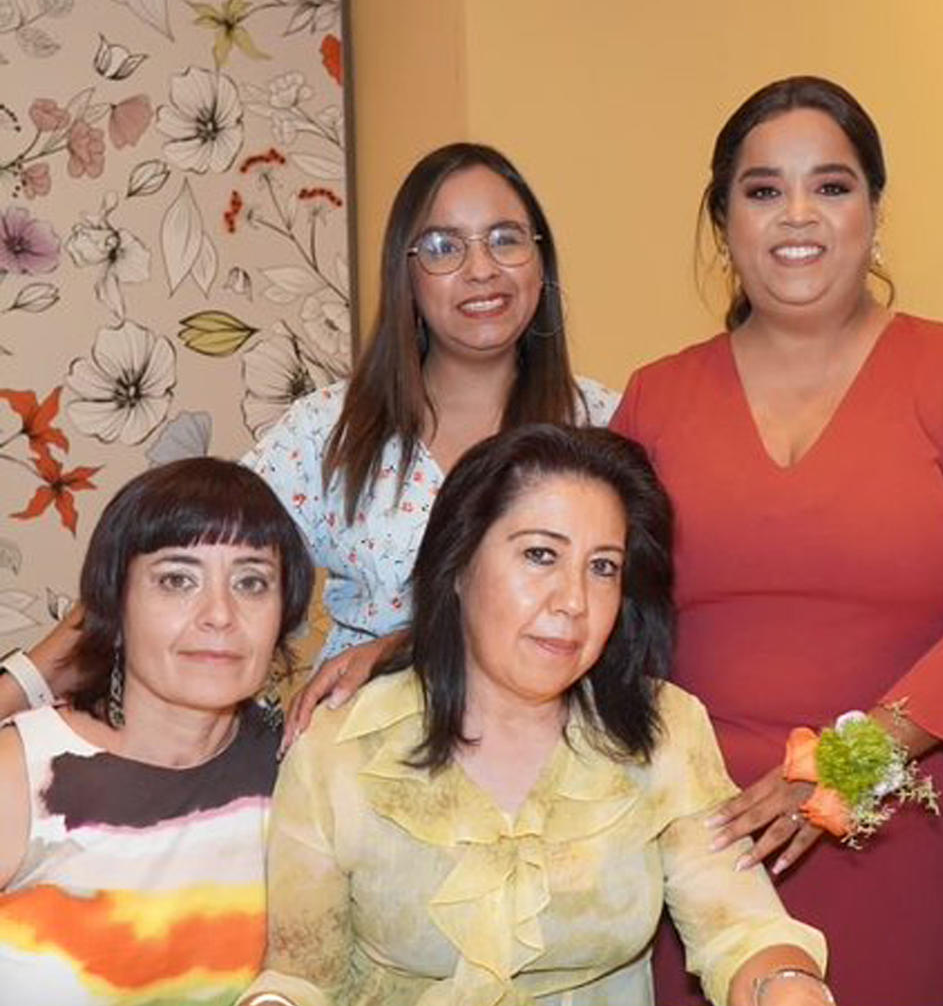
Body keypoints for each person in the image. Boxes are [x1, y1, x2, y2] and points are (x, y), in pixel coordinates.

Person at [201, 425, 866, 1006]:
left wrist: (793, 994)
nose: (574, 602)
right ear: (458, 565)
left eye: (603, 567)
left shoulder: (666, 731)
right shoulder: (339, 748)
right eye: (540, 556)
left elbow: (740, 928)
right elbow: (303, 976)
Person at [612, 76, 943, 1006]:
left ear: (873, 208)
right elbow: (586, 602)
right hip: (699, 829)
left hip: (889, 824)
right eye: (762, 190)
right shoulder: (655, 397)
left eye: (831, 186)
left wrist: (845, 767)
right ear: (723, 219)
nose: (798, 216)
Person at [2, 143, 617, 741]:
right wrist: (19, 686)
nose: (481, 268)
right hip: (355, 769)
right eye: (442, 247)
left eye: (506, 238)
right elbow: (173, 561)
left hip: (552, 765)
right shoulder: (334, 430)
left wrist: (402, 647)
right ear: (404, 275)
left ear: (541, 260)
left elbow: (639, 615)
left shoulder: (605, 425)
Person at [0, 459, 313, 1006]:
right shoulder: (23, 775)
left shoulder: (304, 767)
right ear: (113, 603)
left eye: (252, 583)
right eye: (177, 580)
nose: (220, 616)